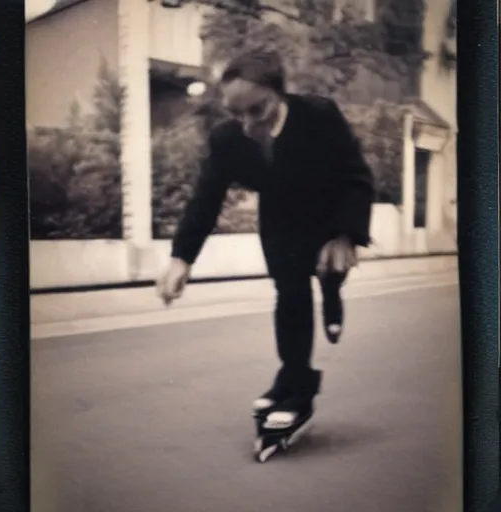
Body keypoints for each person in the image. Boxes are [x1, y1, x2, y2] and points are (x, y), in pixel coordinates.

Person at [158, 49, 374, 430]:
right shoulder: (227, 139)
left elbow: (355, 176)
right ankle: (296, 382)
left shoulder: (319, 116)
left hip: (327, 213)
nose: (246, 124)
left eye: (256, 110)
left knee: (330, 272)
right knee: (290, 297)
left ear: (280, 94)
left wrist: (344, 235)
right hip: (280, 222)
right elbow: (205, 199)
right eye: (235, 112)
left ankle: (333, 296)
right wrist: (181, 259)